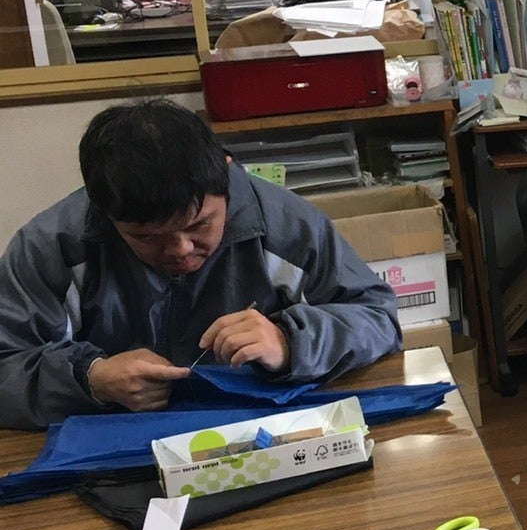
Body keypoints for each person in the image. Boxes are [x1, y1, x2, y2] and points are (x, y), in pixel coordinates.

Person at [0, 98, 402, 430]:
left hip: (261, 435)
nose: (180, 250)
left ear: (225, 176)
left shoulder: (285, 225)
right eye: (146, 237)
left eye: (199, 225)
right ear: (102, 210)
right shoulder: (52, 247)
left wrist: (290, 342)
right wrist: (90, 380)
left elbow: (378, 318)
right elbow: (7, 366)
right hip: (114, 449)